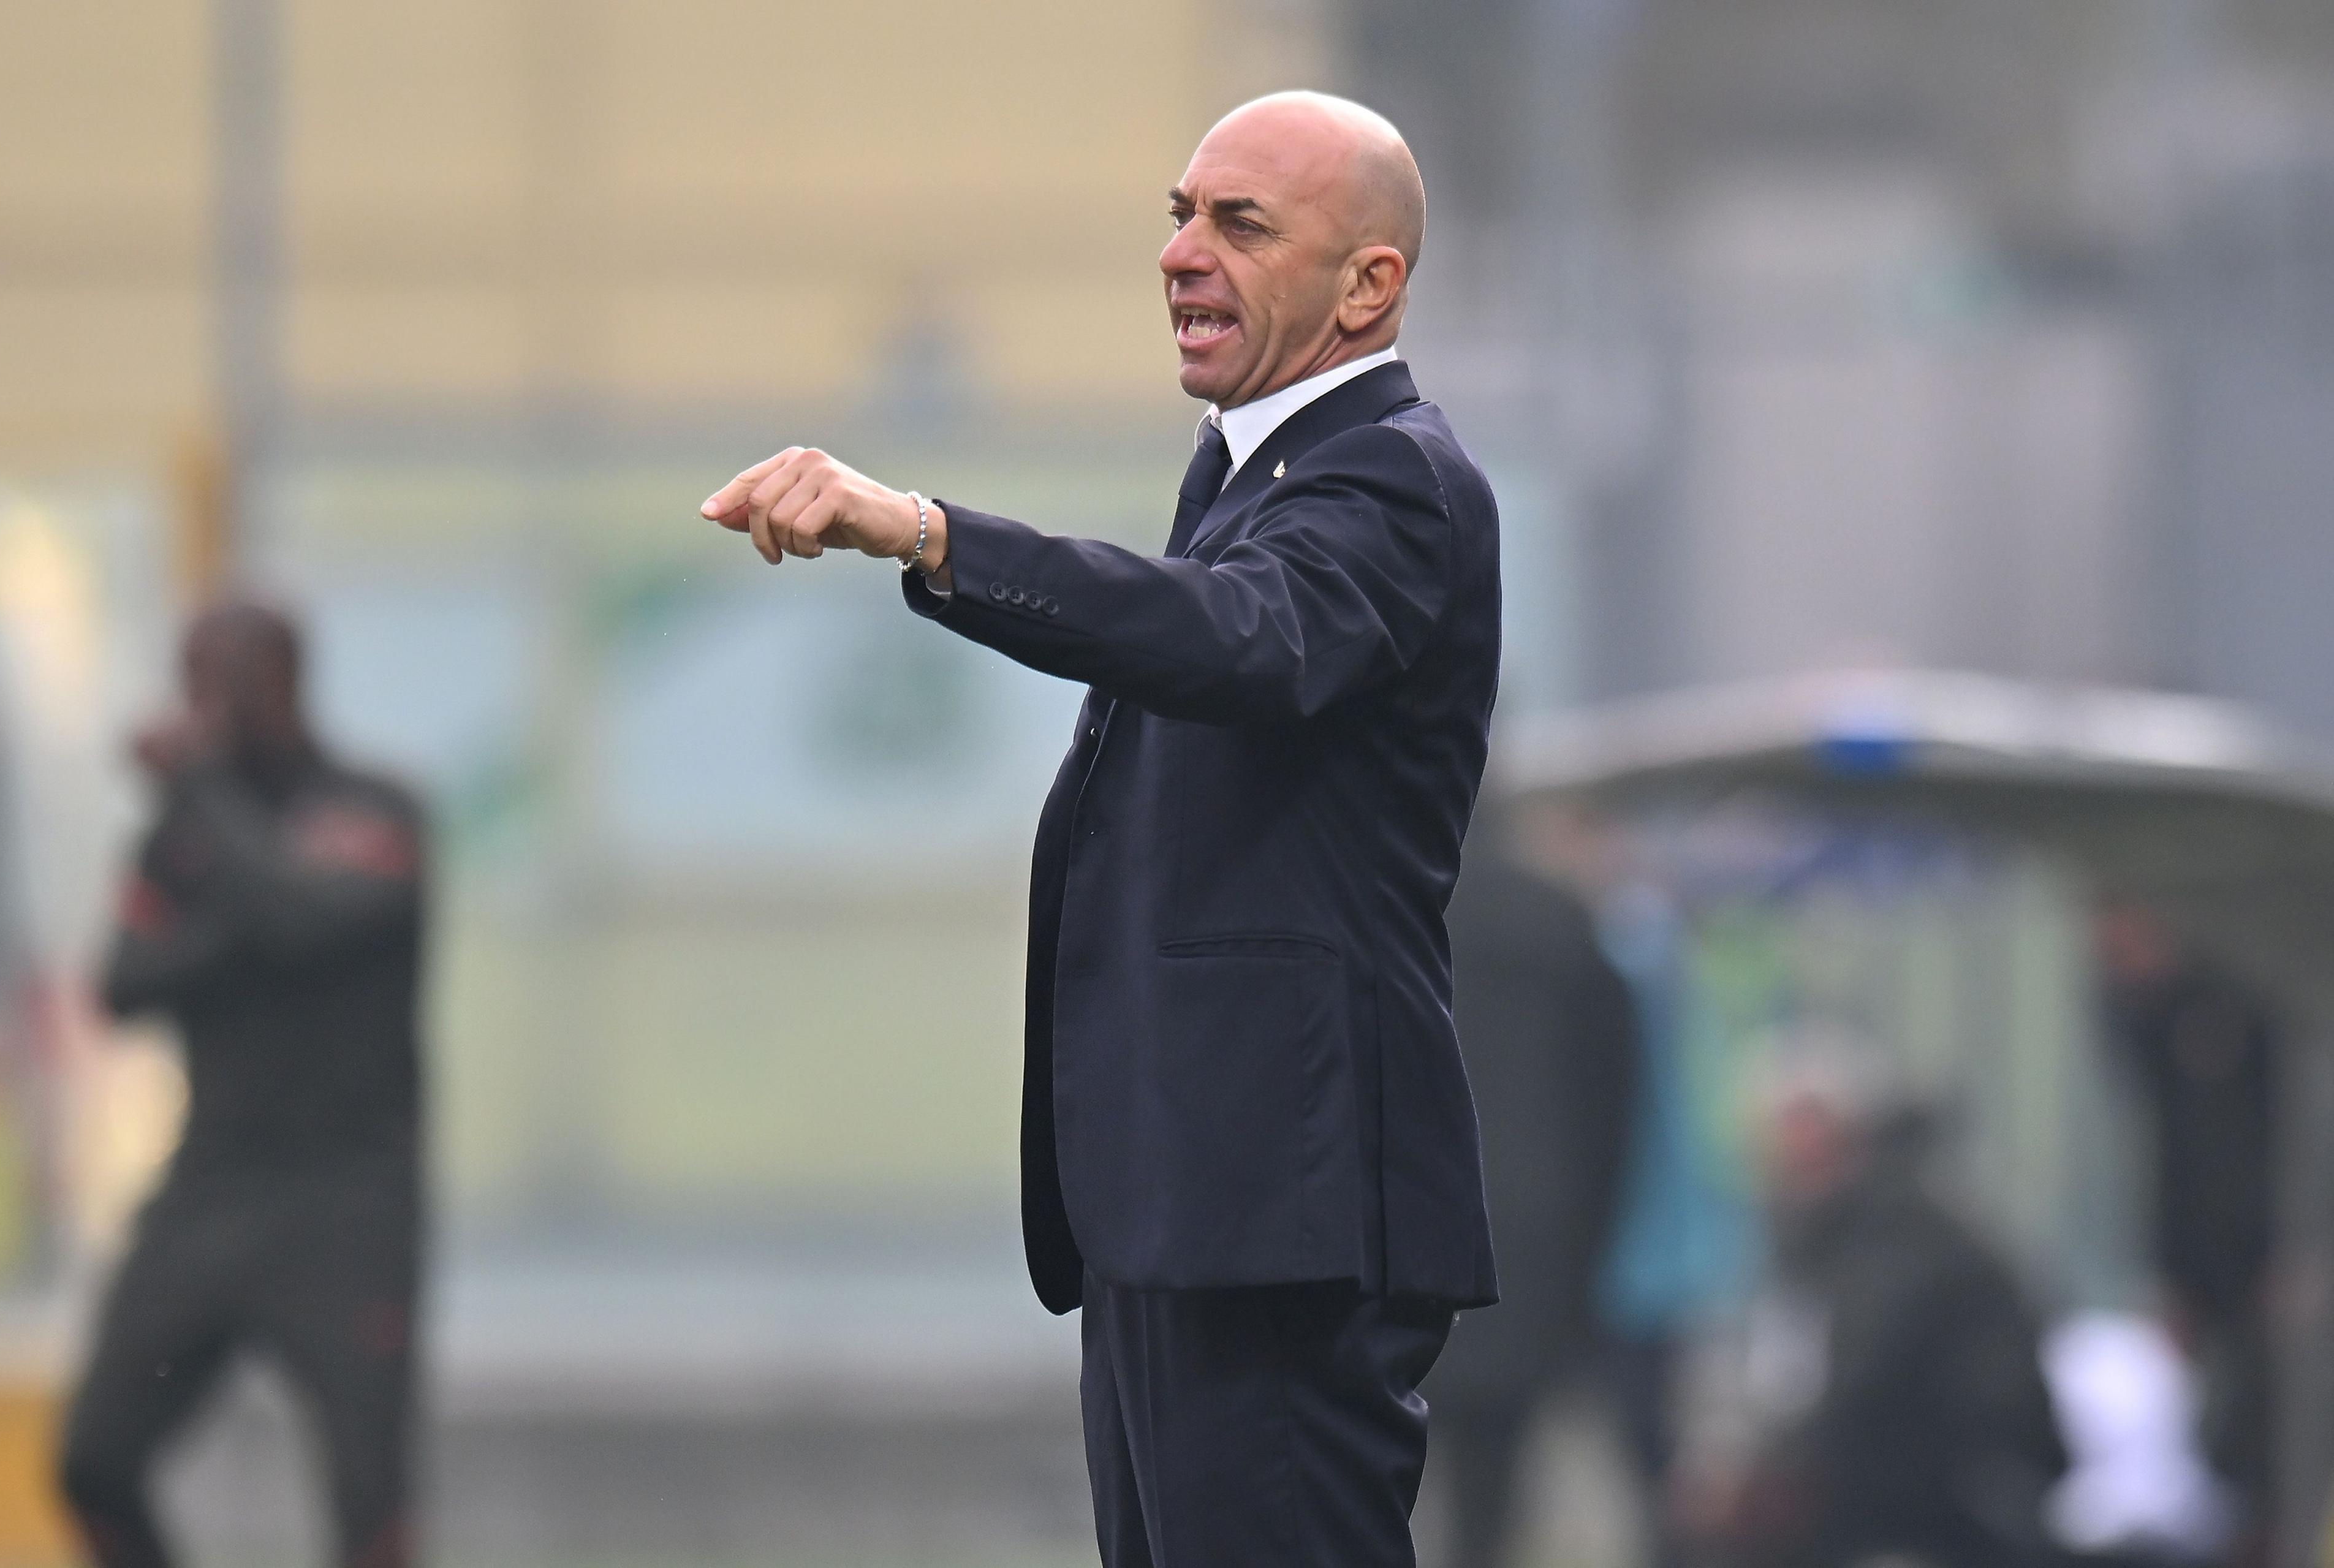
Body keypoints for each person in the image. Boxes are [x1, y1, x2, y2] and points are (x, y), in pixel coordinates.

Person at [700, 91, 1501, 1567]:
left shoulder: (1392, 475)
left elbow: (1237, 639)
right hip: (1192, 1193)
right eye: (1178, 212)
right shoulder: (1254, 474)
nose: (1179, 253)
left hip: (1282, 1205)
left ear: (1366, 285)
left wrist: (933, 533)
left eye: (1237, 224)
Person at [60, 604, 426, 1568]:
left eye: (226, 682)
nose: (207, 708)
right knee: (92, 1462)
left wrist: (213, 831)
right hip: (210, 1192)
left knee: (369, 1505)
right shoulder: (189, 827)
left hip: (350, 1201)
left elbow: (304, 915)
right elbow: (121, 983)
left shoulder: (377, 807)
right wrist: (255, 924)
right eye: (194, 684)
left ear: (289, 678)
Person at [1680, 1058, 2067, 1568]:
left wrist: (1763, 1473)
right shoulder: (1842, 1231)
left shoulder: (1900, 1234)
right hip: (1913, 1473)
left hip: (1963, 1488)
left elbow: (1864, 1381)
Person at [1430, 797, 1641, 1568]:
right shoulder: (1562, 925)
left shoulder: (1388, 908)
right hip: (1531, 1244)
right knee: (1490, 1489)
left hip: (1400, 1231)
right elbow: (1615, 1105)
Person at [2094, 905, 2279, 1566]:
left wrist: (2298, 1250)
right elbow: (2168, 1161)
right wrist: (2175, 1275)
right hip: (2215, 1270)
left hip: (2272, 1263)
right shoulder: (2142, 1018)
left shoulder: (2244, 1004)